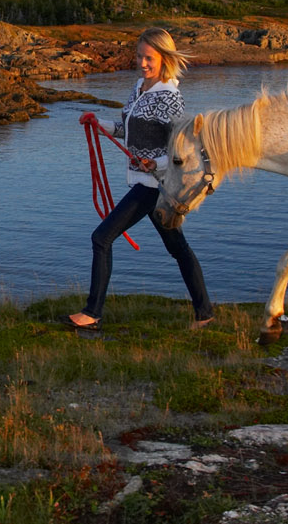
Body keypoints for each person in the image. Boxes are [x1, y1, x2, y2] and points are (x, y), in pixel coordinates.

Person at [70, 26, 215, 330]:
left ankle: (92, 313)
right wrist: (100, 124)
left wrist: (157, 162)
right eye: (139, 56)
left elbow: (184, 148)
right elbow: (128, 130)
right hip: (142, 181)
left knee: (101, 237)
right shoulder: (139, 88)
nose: (143, 63)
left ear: (164, 58)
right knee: (178, 249)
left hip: (155, 186)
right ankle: (205, 314)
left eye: (149, 58)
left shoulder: (170, 97)